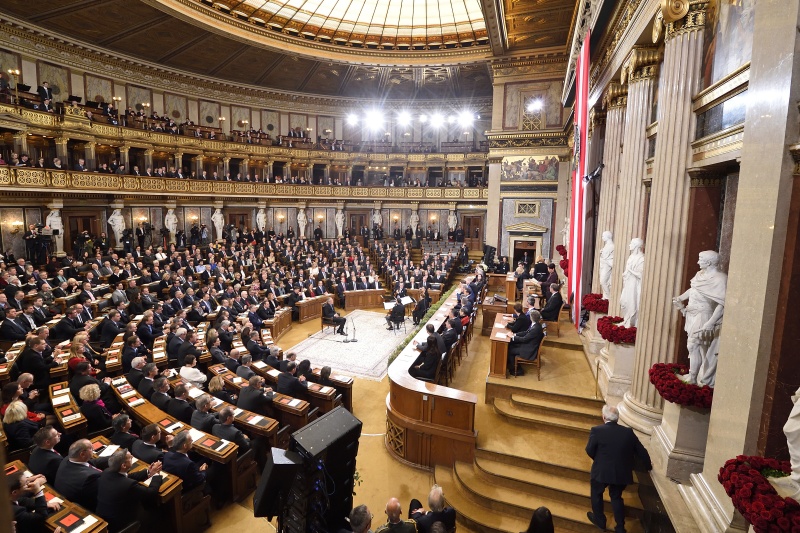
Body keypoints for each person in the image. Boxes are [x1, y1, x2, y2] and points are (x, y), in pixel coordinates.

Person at [585, 405, 652, 533]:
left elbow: (589, 450)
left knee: (596, 494)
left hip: (601, 472)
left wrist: (598, 460)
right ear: (617, 418)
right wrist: (648, 466)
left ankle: (600, 521)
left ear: (604, 417)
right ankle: (620, 527)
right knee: (616, 497)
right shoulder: (628, 432)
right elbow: (642, 451)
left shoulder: (597, 430)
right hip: (621, 473)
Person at [96, 448, 163, 532]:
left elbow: (126, 477)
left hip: (105, 516)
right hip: (120, 523)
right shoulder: (129, 485)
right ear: (123, 466)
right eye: (130, 458)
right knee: (155, 509)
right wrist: (156, 475)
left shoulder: (106, 472)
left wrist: (148, 472)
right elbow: (151, 493)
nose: (132, 457)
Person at [54, 439, 104, 511]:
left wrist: (111, 460)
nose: (93, 449)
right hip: (85, 507)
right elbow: (99, 496)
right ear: (82, 454)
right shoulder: (90, 478)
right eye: (90, 448)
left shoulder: (68, 459)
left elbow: (90, 463)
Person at [507, 310, 544, 376]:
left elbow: (524, 339)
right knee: (511, 344)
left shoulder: (535, 329)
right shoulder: (536, 325)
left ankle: (516, 370)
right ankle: (510, 364)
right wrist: (515, 334)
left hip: (529, 350)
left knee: (510, 350)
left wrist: (512, 337)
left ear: (531, 318)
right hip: (529, 344)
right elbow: (526, 332)